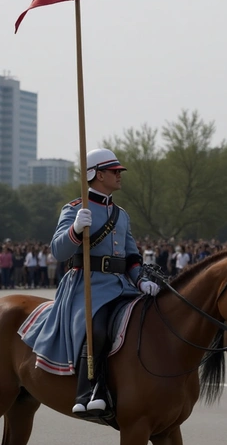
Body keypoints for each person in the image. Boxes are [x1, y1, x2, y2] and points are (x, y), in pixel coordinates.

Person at [20, 148, 160, 416]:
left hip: (122, 286)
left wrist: (141, 280)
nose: (120, 175)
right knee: (96, 328)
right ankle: (88, 392)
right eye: (114, 171)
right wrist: (74, 230)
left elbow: (131, 256)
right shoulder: (75, 208)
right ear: (96, 174)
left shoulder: (121, 215)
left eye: (119, 171)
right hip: (87, 285)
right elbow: (58, 252)